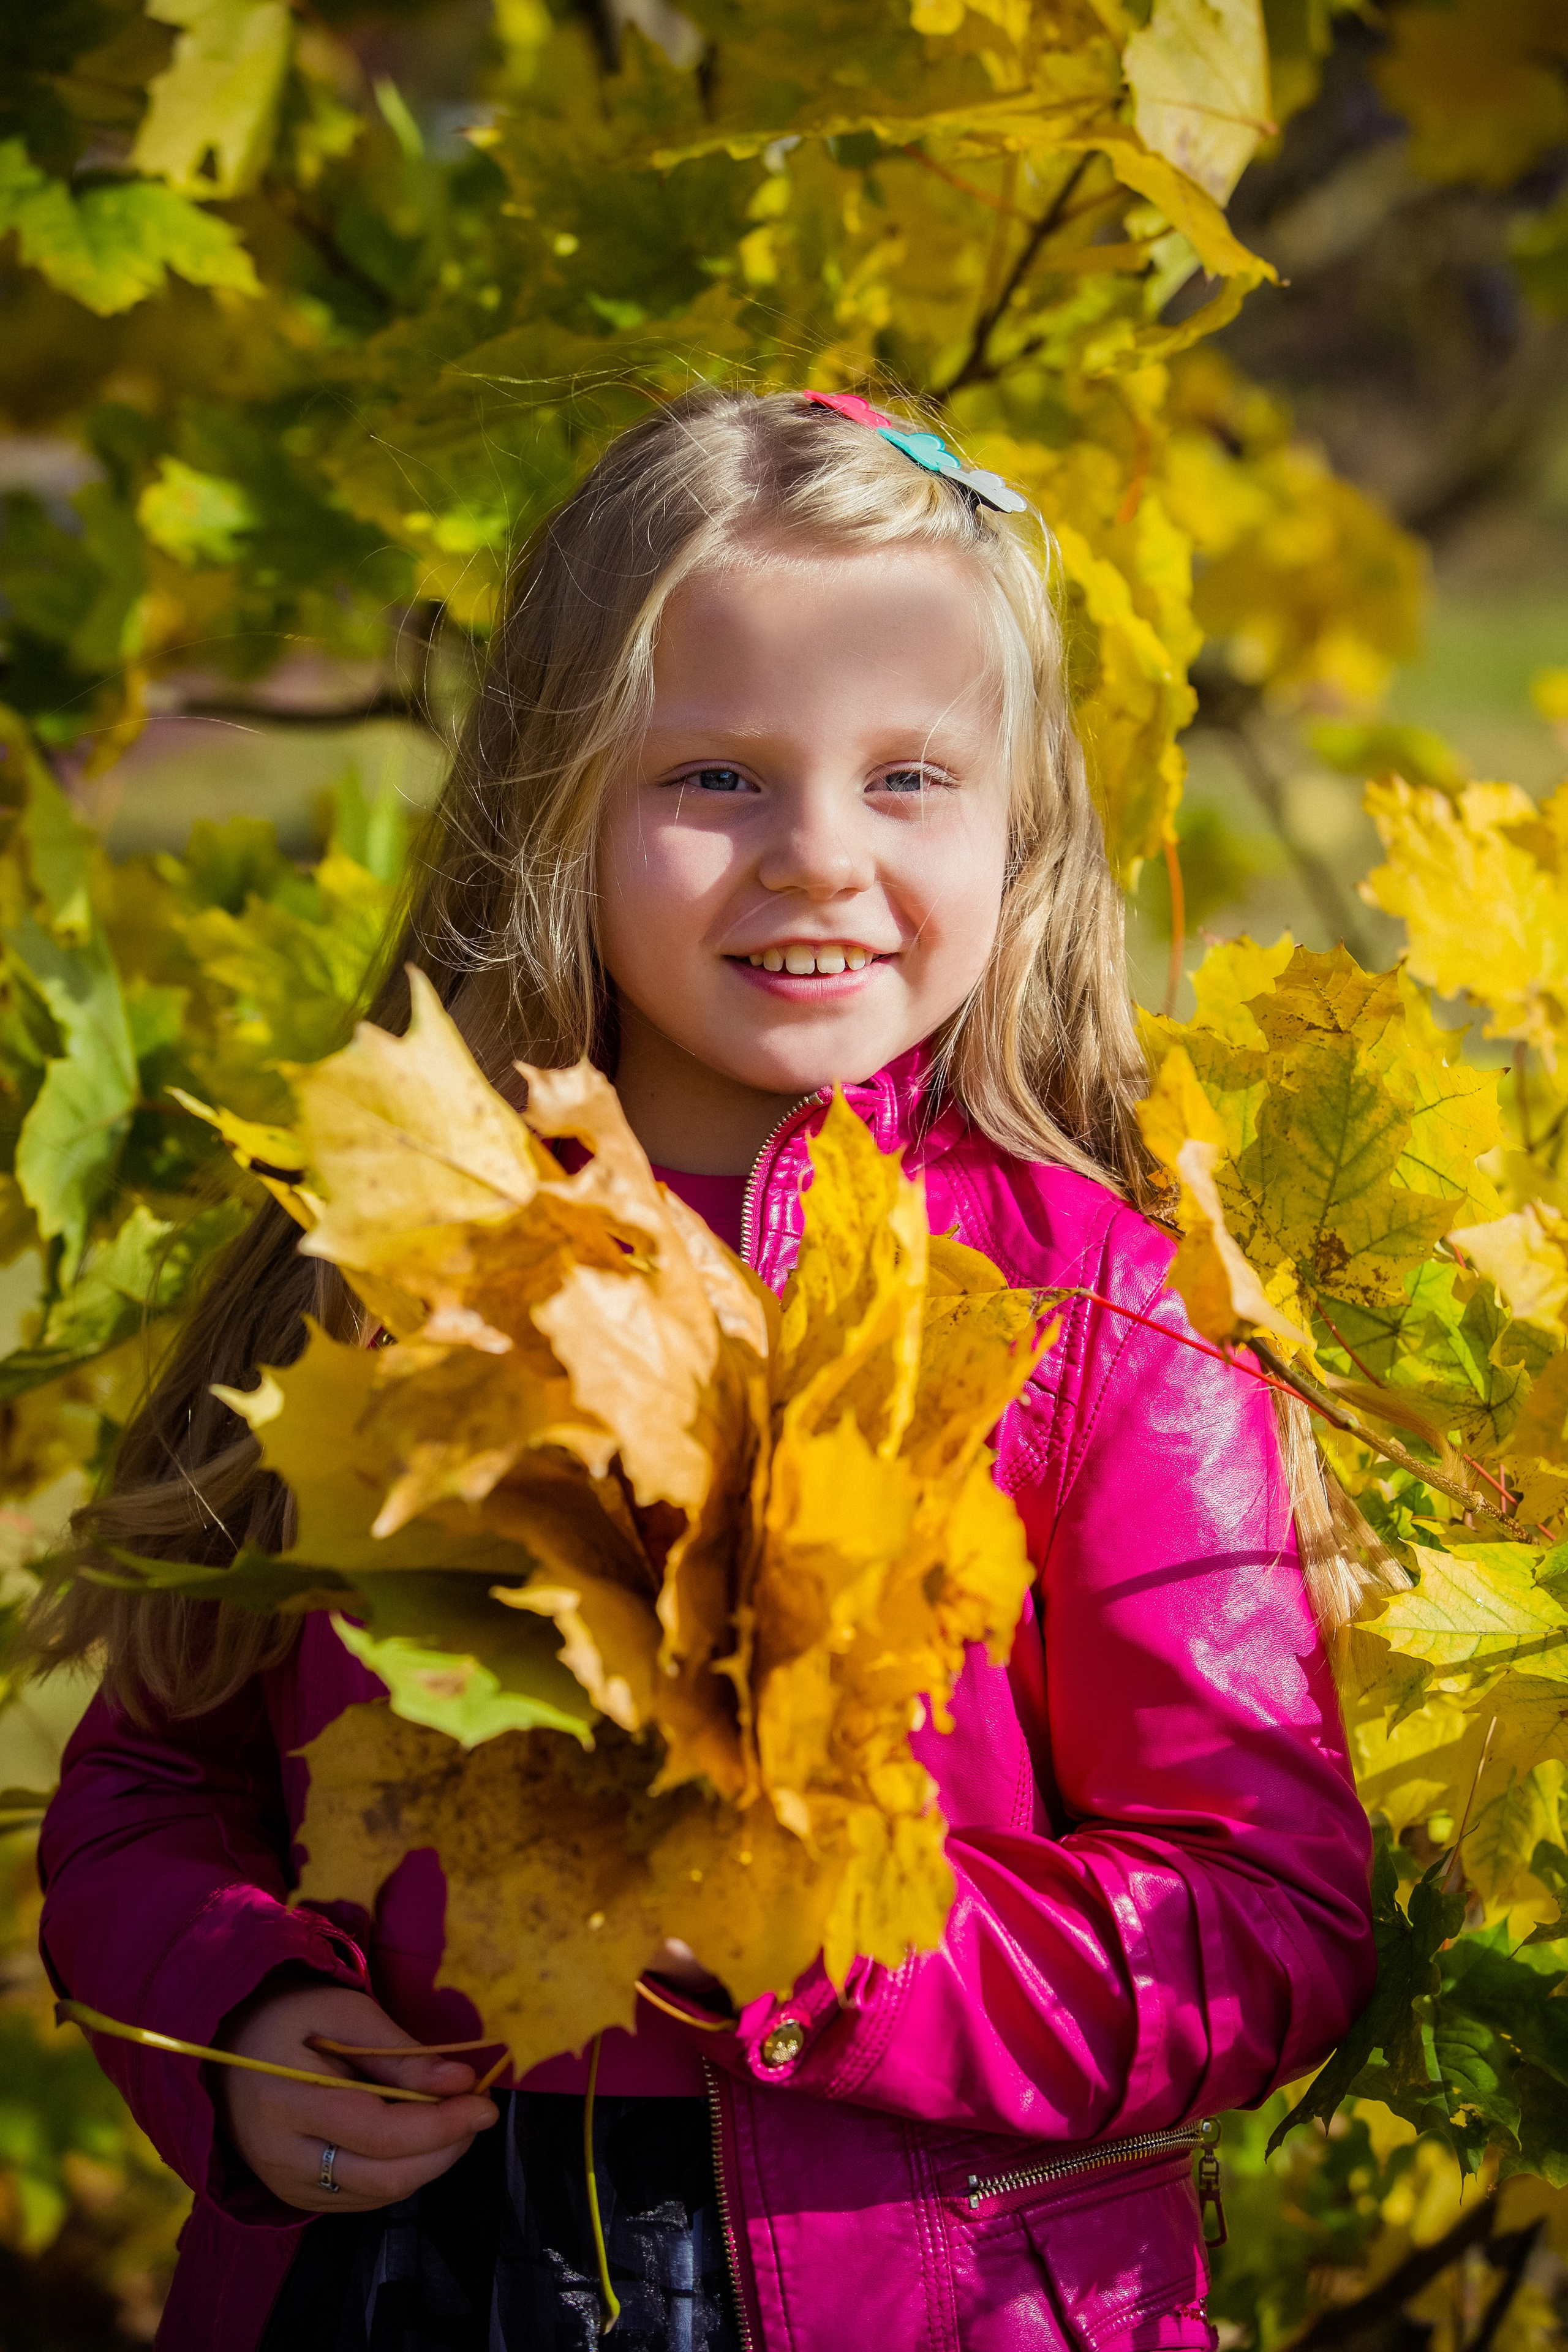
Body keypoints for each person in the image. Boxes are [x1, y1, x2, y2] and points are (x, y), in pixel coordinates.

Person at [31, 386, 1380, 2352]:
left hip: (907, 2287)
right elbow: (155, 1779)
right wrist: (240, 2017)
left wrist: (827, 1938)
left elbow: (1258, 1927)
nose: (818, 857)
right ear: (558, 800)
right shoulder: (395, 1250)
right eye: (718, 778)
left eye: (908, 777)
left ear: (1022, 824)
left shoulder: (1095, 1319)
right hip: (404, 2273)